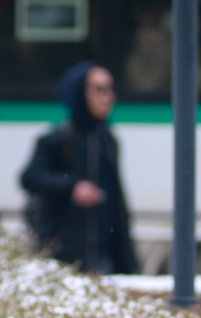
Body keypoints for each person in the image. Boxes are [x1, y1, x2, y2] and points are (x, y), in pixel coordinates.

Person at [20, 62, 138, 274]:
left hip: (103, 257)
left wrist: (128, 263)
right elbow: (30, 177)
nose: (108, 97)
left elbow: (116, 203)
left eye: (110, 89)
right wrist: (72, 186)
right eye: (99, 90)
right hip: (63, 257)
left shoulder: (108, 140)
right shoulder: (57, 139)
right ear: (79, 93)